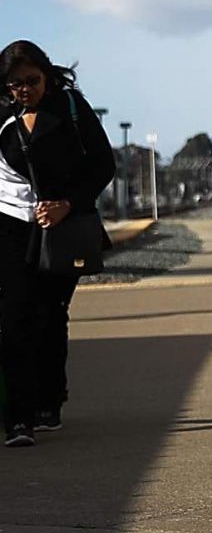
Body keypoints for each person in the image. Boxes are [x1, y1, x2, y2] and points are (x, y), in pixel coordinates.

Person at [0, 40, 115, 447]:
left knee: (50, 315)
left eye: (32, 81)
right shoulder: (3, 113)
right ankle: (19, 418)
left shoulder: (69, 107)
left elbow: (103, 164)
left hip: (61, 227)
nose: (25, 90)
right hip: (10, 224)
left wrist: (69, 203)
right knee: (15, 317)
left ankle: (49, 401)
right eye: (15, 84)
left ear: (47, 76)